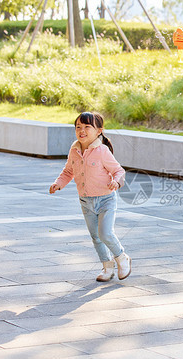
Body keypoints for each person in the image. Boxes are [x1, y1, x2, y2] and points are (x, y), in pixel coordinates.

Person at [49, 111, 131, 282]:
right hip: (86, 201)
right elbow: (68, 171)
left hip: (106, 199)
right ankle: (107, 267)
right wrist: (58, 183)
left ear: (99, 131)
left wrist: (116, 182)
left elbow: (118, 170)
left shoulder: (102, 151)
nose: (82, 130)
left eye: (87, 127)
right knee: (95, 237)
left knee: (105, 233)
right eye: (78, 127)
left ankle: (122, 258)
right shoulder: (74, 150)